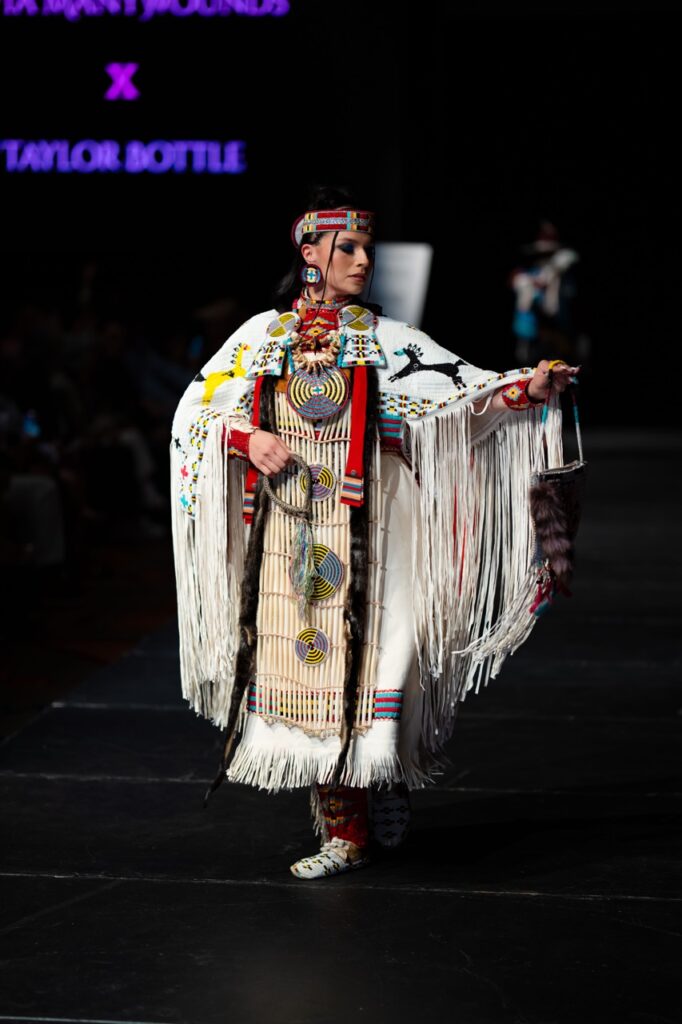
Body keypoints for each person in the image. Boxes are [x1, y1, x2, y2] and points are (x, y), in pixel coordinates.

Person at [170, 186, 578, 879]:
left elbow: (460, 400)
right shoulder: (262, 338)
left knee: (384, 664)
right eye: (347, 249)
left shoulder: (387, 340)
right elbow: (195, 414)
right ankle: (345, 830)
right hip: (293, 539)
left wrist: (526, 390)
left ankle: (382, 778)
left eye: (367, 250)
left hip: (383, 535)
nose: (362, 262)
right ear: (310, 254)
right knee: (310, 669)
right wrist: (247, 436)